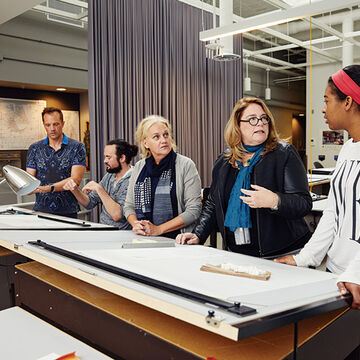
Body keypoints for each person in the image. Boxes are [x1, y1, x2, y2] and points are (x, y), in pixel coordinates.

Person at [176, 97, 312, 258]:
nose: (260, 123)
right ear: (238, 126)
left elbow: (303, 203)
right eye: (252, 119)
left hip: (283, 253)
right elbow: (213, 202)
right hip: (237, 253)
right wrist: (198, 234)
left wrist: (274, 201)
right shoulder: (224, 161)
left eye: (264, 118)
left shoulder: (284, 153)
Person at [275, 65, 360, 310]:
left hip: (355, 279)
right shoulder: (347, 149)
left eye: (326, 100)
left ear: (348, 102)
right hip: (337, 274)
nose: (322, 108)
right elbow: (334, 212)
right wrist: (306, 258)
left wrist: (356, 272)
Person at [124, 115, 202, 238]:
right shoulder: (139, 167)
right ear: (145, 143)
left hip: (179, 240)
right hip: (144, 238)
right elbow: (129, 207)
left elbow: (193, 211)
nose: (164, 140)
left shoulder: (185, 165)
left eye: (166, 135)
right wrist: (136, 224)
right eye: (156, 137)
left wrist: (158, 229)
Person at [63, 139, 138, 229]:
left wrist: (99, 189)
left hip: (121, 234)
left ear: (122, 158)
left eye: (108, 157)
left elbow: (117, 215)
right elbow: (89, 203)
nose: (105, 161)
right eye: (105, 157)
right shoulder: (109, 176)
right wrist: (74, 190)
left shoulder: (134, 179)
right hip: (103, 230)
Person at [26, 107, 86, 218]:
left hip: (68, 211)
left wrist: (49, 188)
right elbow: (28, 181)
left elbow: (75, 180)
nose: (52, 128)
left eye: (56, 124)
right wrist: (24, 187)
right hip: (41, 210)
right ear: (43, 125)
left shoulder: (77, 147)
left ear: (63, 124)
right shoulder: (34, 148)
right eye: (48, 125)